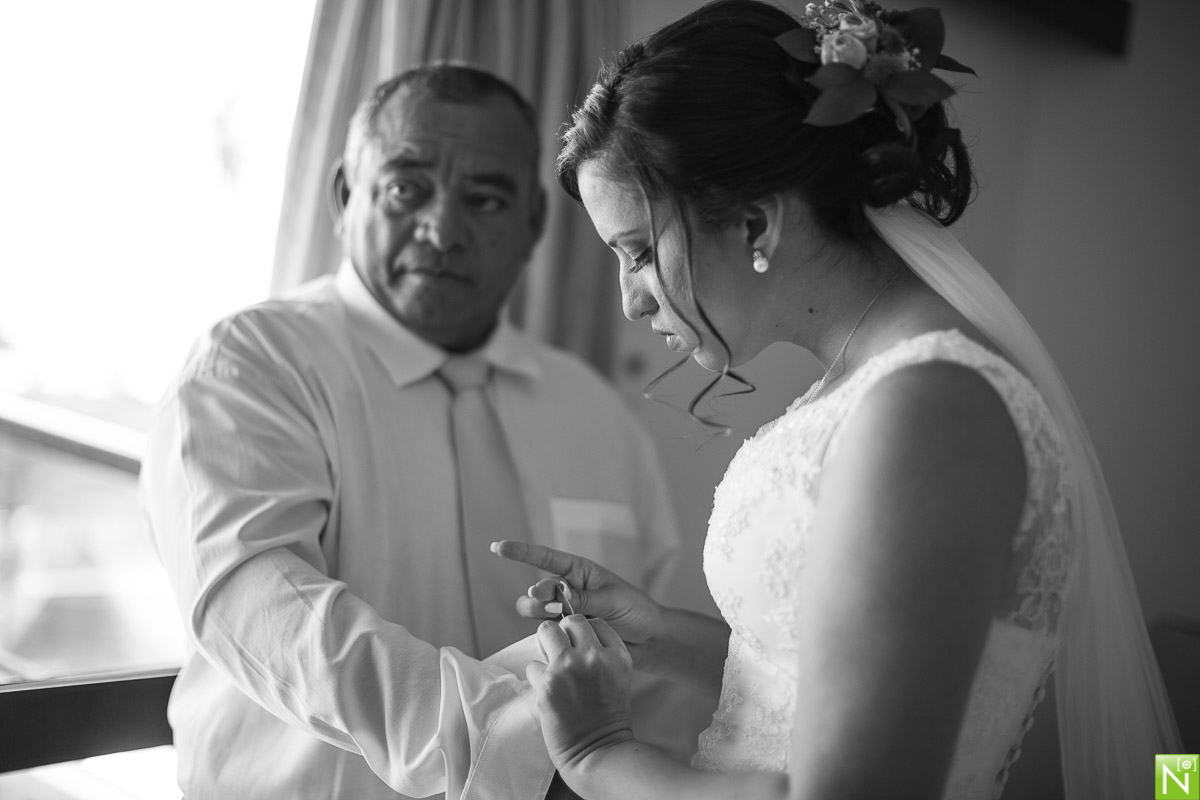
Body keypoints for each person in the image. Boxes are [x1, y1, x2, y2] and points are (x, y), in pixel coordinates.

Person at [492, 1, 1183, 799]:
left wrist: (598, 751)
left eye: (640, 252)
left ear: (756, 221)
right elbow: (823, 686)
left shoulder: (928, 411)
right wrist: (656, 636)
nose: (632, 304)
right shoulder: (876, 388)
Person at [139, 64, 691, 800]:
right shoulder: (249, 370)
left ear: (532, 223)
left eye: (486, 199)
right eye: (406, 188)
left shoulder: (596, 415)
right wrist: (513, 747)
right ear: (344, 195)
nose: (442, 229)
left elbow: (652, 667)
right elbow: (266, 611)